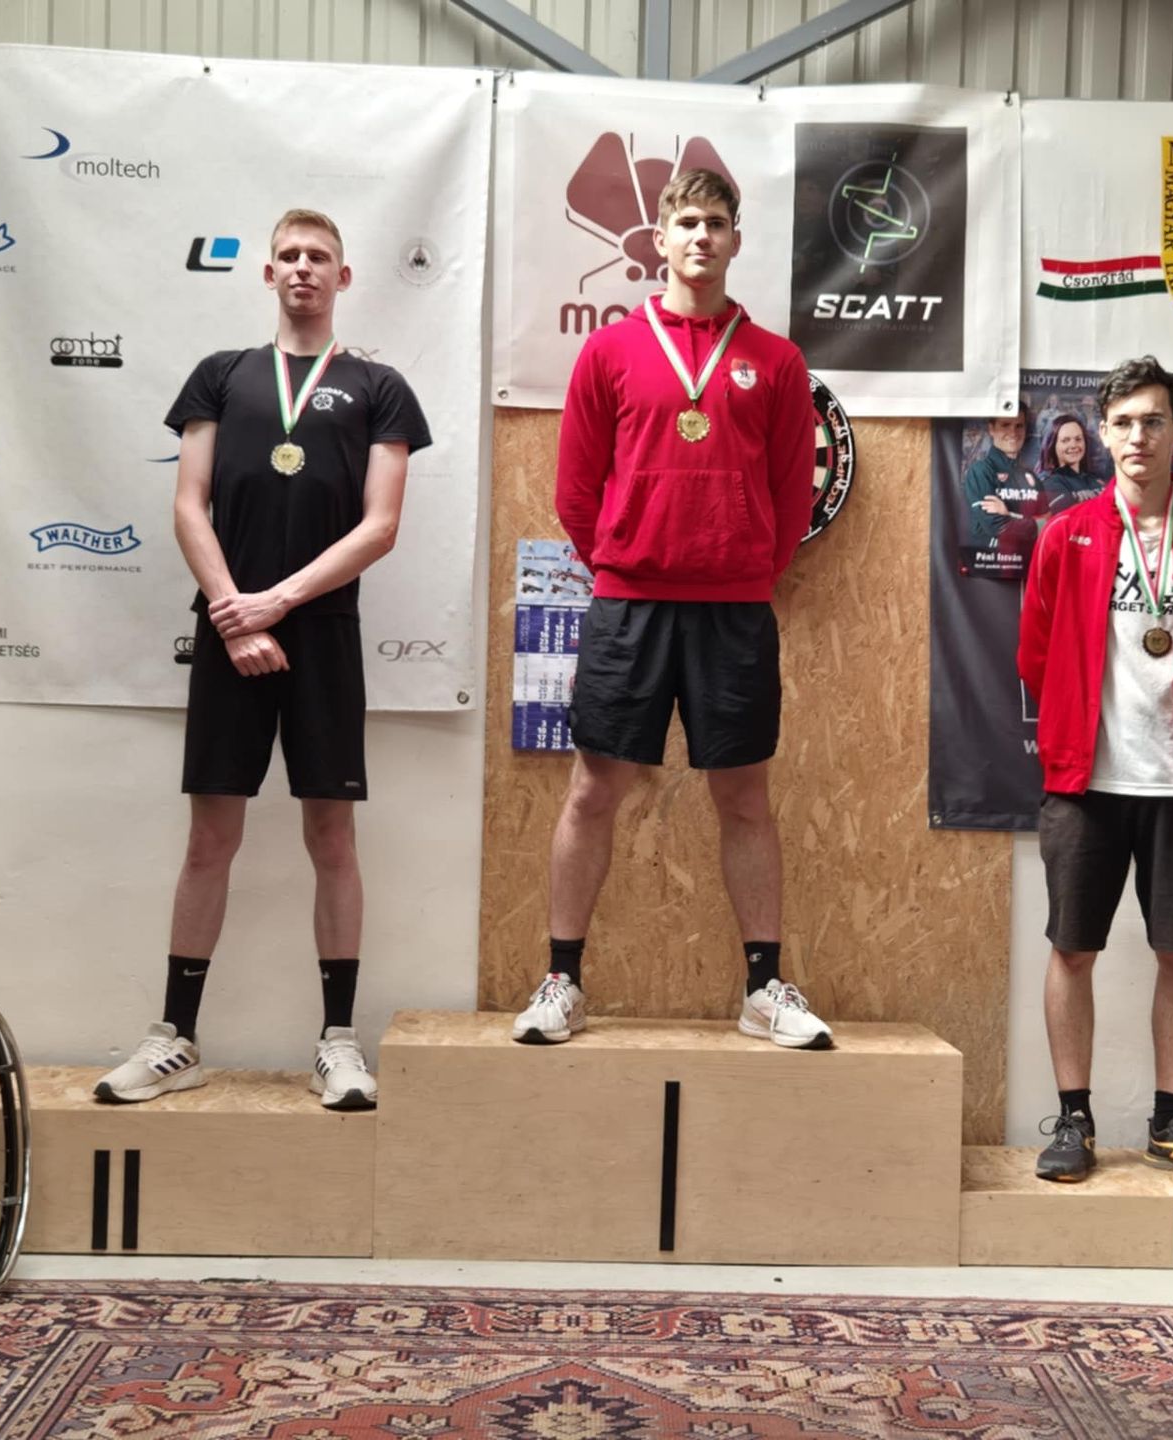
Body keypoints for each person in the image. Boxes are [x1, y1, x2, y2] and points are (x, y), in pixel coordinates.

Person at [95, 207, 431, 1109]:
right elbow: (188, 505)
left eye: (319, 256)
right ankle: (175, 1037)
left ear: (344, 277)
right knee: (211, 837)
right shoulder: (221, 376)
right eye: (288, 255)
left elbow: (381, 526)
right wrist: (233, 616)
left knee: (332, 836)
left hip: (321, 634)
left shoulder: (379, 387)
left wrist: (276, 603)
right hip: (227, 630)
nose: (302, 268)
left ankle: (338, 1043)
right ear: (268, 272)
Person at [513, 168, 826, 1049]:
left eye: (716, 223)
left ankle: (762, 990)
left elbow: (790, 497)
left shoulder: (777, 361)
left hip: (734, 610)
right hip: (630, 607)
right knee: (593, 791)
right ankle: (562, 981)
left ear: (735, 240)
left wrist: (743, 566)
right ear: (659, 239)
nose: (701, 237)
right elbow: (576, 491)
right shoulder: (610, 351)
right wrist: (627, 561)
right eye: (686, 222)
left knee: (746, 798)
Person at [1016, 355, 1173, 1185]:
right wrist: (1076, 728)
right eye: (1123, 422)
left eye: (1153, 421)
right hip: (1086, 784)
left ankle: (1172, 1122)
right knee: (1072, 951)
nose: (1138, 437)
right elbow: (1035, 651)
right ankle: (1074, 1119)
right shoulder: (1068, 534)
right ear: (1102, 431)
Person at [960, 408, 1047, 578]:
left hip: (1027, 567)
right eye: (1005, 425)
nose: (1013, 432)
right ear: (991, 429)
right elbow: (997, 526)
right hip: (990, 569)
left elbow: (1048, 524)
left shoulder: (1031, 476)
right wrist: (1033, 524)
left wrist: (1009, 515)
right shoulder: (981, 471)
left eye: (1019, 426)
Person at [1039, 413, 1102, 514]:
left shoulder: (1095, 480)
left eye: (1078, 439)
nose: (1073, 445)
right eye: (1065, 440)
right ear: (1053, 445)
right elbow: (1070, 517)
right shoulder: (1049, 484)